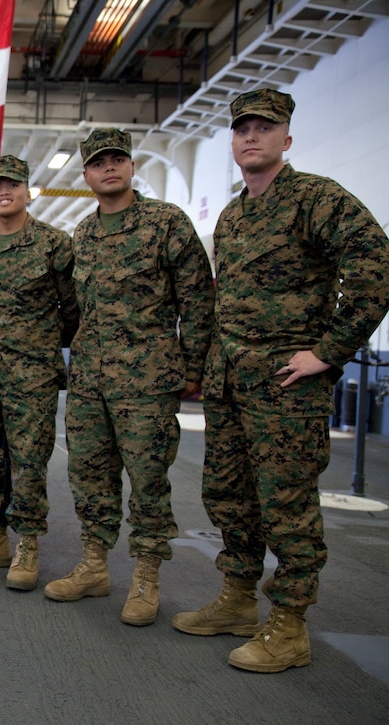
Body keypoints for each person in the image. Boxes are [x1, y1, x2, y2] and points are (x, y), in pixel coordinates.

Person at [172, 89, 389, 672]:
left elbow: (376, 268)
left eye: (264, 128)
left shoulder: (317, 199)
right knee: (229, 496)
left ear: (286, 138)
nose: (251, 136)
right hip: (230, 385)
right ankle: (238, 600)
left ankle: (290, 625)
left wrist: (329, 351)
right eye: (242, 128)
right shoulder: (232, 216)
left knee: (286, 505)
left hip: (285, 389)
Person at [43, 128, 215, 627]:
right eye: (99, 163)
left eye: (117, 159)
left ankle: (146, 576)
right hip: (90, 380)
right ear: (86, 175)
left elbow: (197, 299)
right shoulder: (83, 233)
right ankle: (94, 565)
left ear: (132, 167)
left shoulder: (166, 223)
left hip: (147, 381)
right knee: (88, 474)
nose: (109, 168)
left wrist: (193, 367)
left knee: (147, 480)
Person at [0, 155, 79, 591]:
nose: (5, 192)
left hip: (33, 378)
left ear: (27, 192)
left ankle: (28, 545)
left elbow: (73, 309)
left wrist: (41, 347)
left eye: (13, 185)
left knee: (29, 463)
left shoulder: (53, 244)